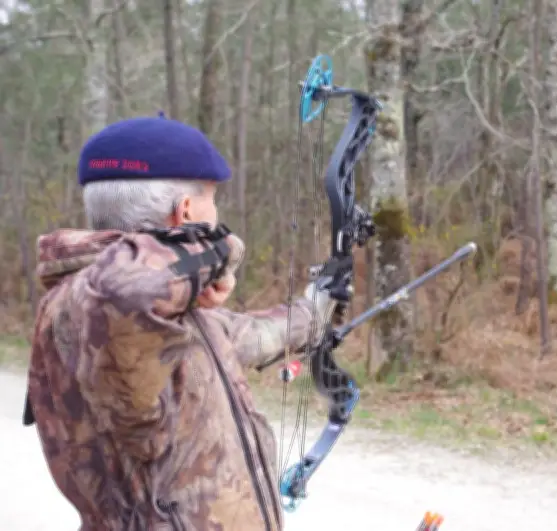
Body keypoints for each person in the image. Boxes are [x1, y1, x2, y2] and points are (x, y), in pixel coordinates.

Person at [22, 115, 344, 530]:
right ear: (186, 211)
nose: (218, 214)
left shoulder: (152, 318)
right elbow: (128, 288)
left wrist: (318, 307)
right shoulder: (92, 305)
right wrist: (223, 253)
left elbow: (243, 337)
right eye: (214, 200)